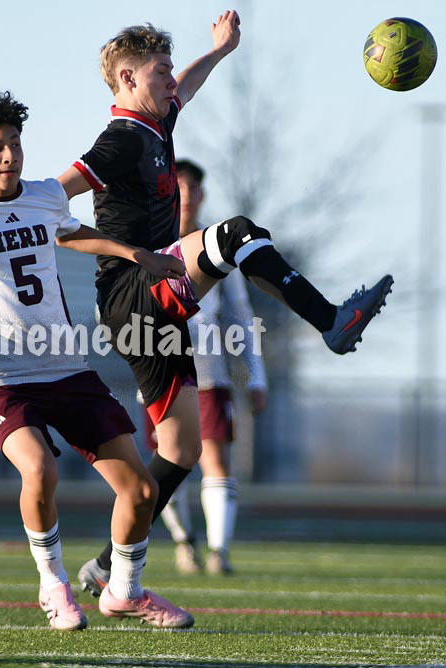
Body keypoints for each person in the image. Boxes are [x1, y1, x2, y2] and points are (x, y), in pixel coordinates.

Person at [55, 13, 393, 595]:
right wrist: (134, 253)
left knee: (181, 451)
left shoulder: (156, 122)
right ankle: (331, 320)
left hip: (149, 315)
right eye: (160, 71)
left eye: (170, 71)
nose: (171, 82)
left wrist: (220, 50)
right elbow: (55, 209)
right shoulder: (121, 140)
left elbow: (186, 86)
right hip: (132, 293)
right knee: (237, 234)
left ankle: (108, 566)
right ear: (128, 78)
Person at [0, 91, 194, 630]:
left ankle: (124, 591)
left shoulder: (46, 196)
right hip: (3, 378)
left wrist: (137, 254)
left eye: (15, 144)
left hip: (67, 369)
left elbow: (72, 234)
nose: (9, 156)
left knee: (141, 490)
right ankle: (54, 585)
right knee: (40, 469)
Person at [145, 159, 268, 576]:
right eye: (178, 186)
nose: (187, 195)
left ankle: (219, 552)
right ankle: (185, 543)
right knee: (167, 459)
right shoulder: (148, 244)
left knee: (215, 457)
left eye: (193, 187)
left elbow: (240, 314)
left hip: (208, 372)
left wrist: (256, 375)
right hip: (160, 370)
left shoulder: (217, 247)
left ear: (202, 195)